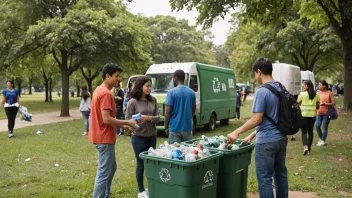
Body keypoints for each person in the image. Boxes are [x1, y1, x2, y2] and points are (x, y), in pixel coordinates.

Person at [227, 58, 288, 198]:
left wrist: (236, 132)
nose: (255, 77)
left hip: (266, 141)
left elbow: (256, 119)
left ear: (259, 72)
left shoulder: (262, 91)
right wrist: (252, 135)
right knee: (281, 175)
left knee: (265, 179)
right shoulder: (280, 87)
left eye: (255, 73)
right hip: (281, 138)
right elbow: (273, 118)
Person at [88, 63, 136, 198]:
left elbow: (108, 119)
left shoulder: (99, 89)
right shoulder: (105, 93)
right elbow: (107, 119)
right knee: (104, 171)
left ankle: (105, 194)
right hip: (103, 138)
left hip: (102, 136)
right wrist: (127, 121)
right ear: (107, 76)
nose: (118, 80)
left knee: (111, 168)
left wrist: (122, 126)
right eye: (116, 76)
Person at [126, 76, 160, 198]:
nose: (149, 88)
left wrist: (148, 118)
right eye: (147, 86)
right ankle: (141, 190)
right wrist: (133, 124)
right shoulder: (132, 102)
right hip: (138, 137)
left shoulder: (153, 100)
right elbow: (127, 120)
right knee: (141, 163)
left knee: (151, 162)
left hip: (152, 136)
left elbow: (158, 118)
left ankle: (152, 187)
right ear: (140, 87)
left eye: (150, 86)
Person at [164, 69, 196, 144]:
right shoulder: (191, 92)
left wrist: (166, 127)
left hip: (175, 127)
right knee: (187, 152)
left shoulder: (171, 92)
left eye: (173, 78)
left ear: (175, 78)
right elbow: (194, 108)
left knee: (175, 152)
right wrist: (188, 117)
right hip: (187, 127)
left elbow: (168, 112)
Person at [297, 80, 320, 155]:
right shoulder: (316, 95)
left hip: (304, 115)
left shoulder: (302, 94)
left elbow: (298, 102)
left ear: (307, 86)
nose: (303, 86)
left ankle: (305, 147)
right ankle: (309, 149)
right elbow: (318, 106)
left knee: (304, 132)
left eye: (304, 85)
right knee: (310, 132)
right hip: (312, 115)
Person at [316, 80, 335, 146]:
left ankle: (322, 140)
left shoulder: (329, 93)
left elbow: (333, 103)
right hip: (319, 112)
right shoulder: (318, 93)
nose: (318, 86)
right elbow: (317, 102)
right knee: (317, 126)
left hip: (327, 113)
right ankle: (322, 139)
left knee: (325, 127)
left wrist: (325, 104)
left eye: (320, 85)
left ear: (324, 86)